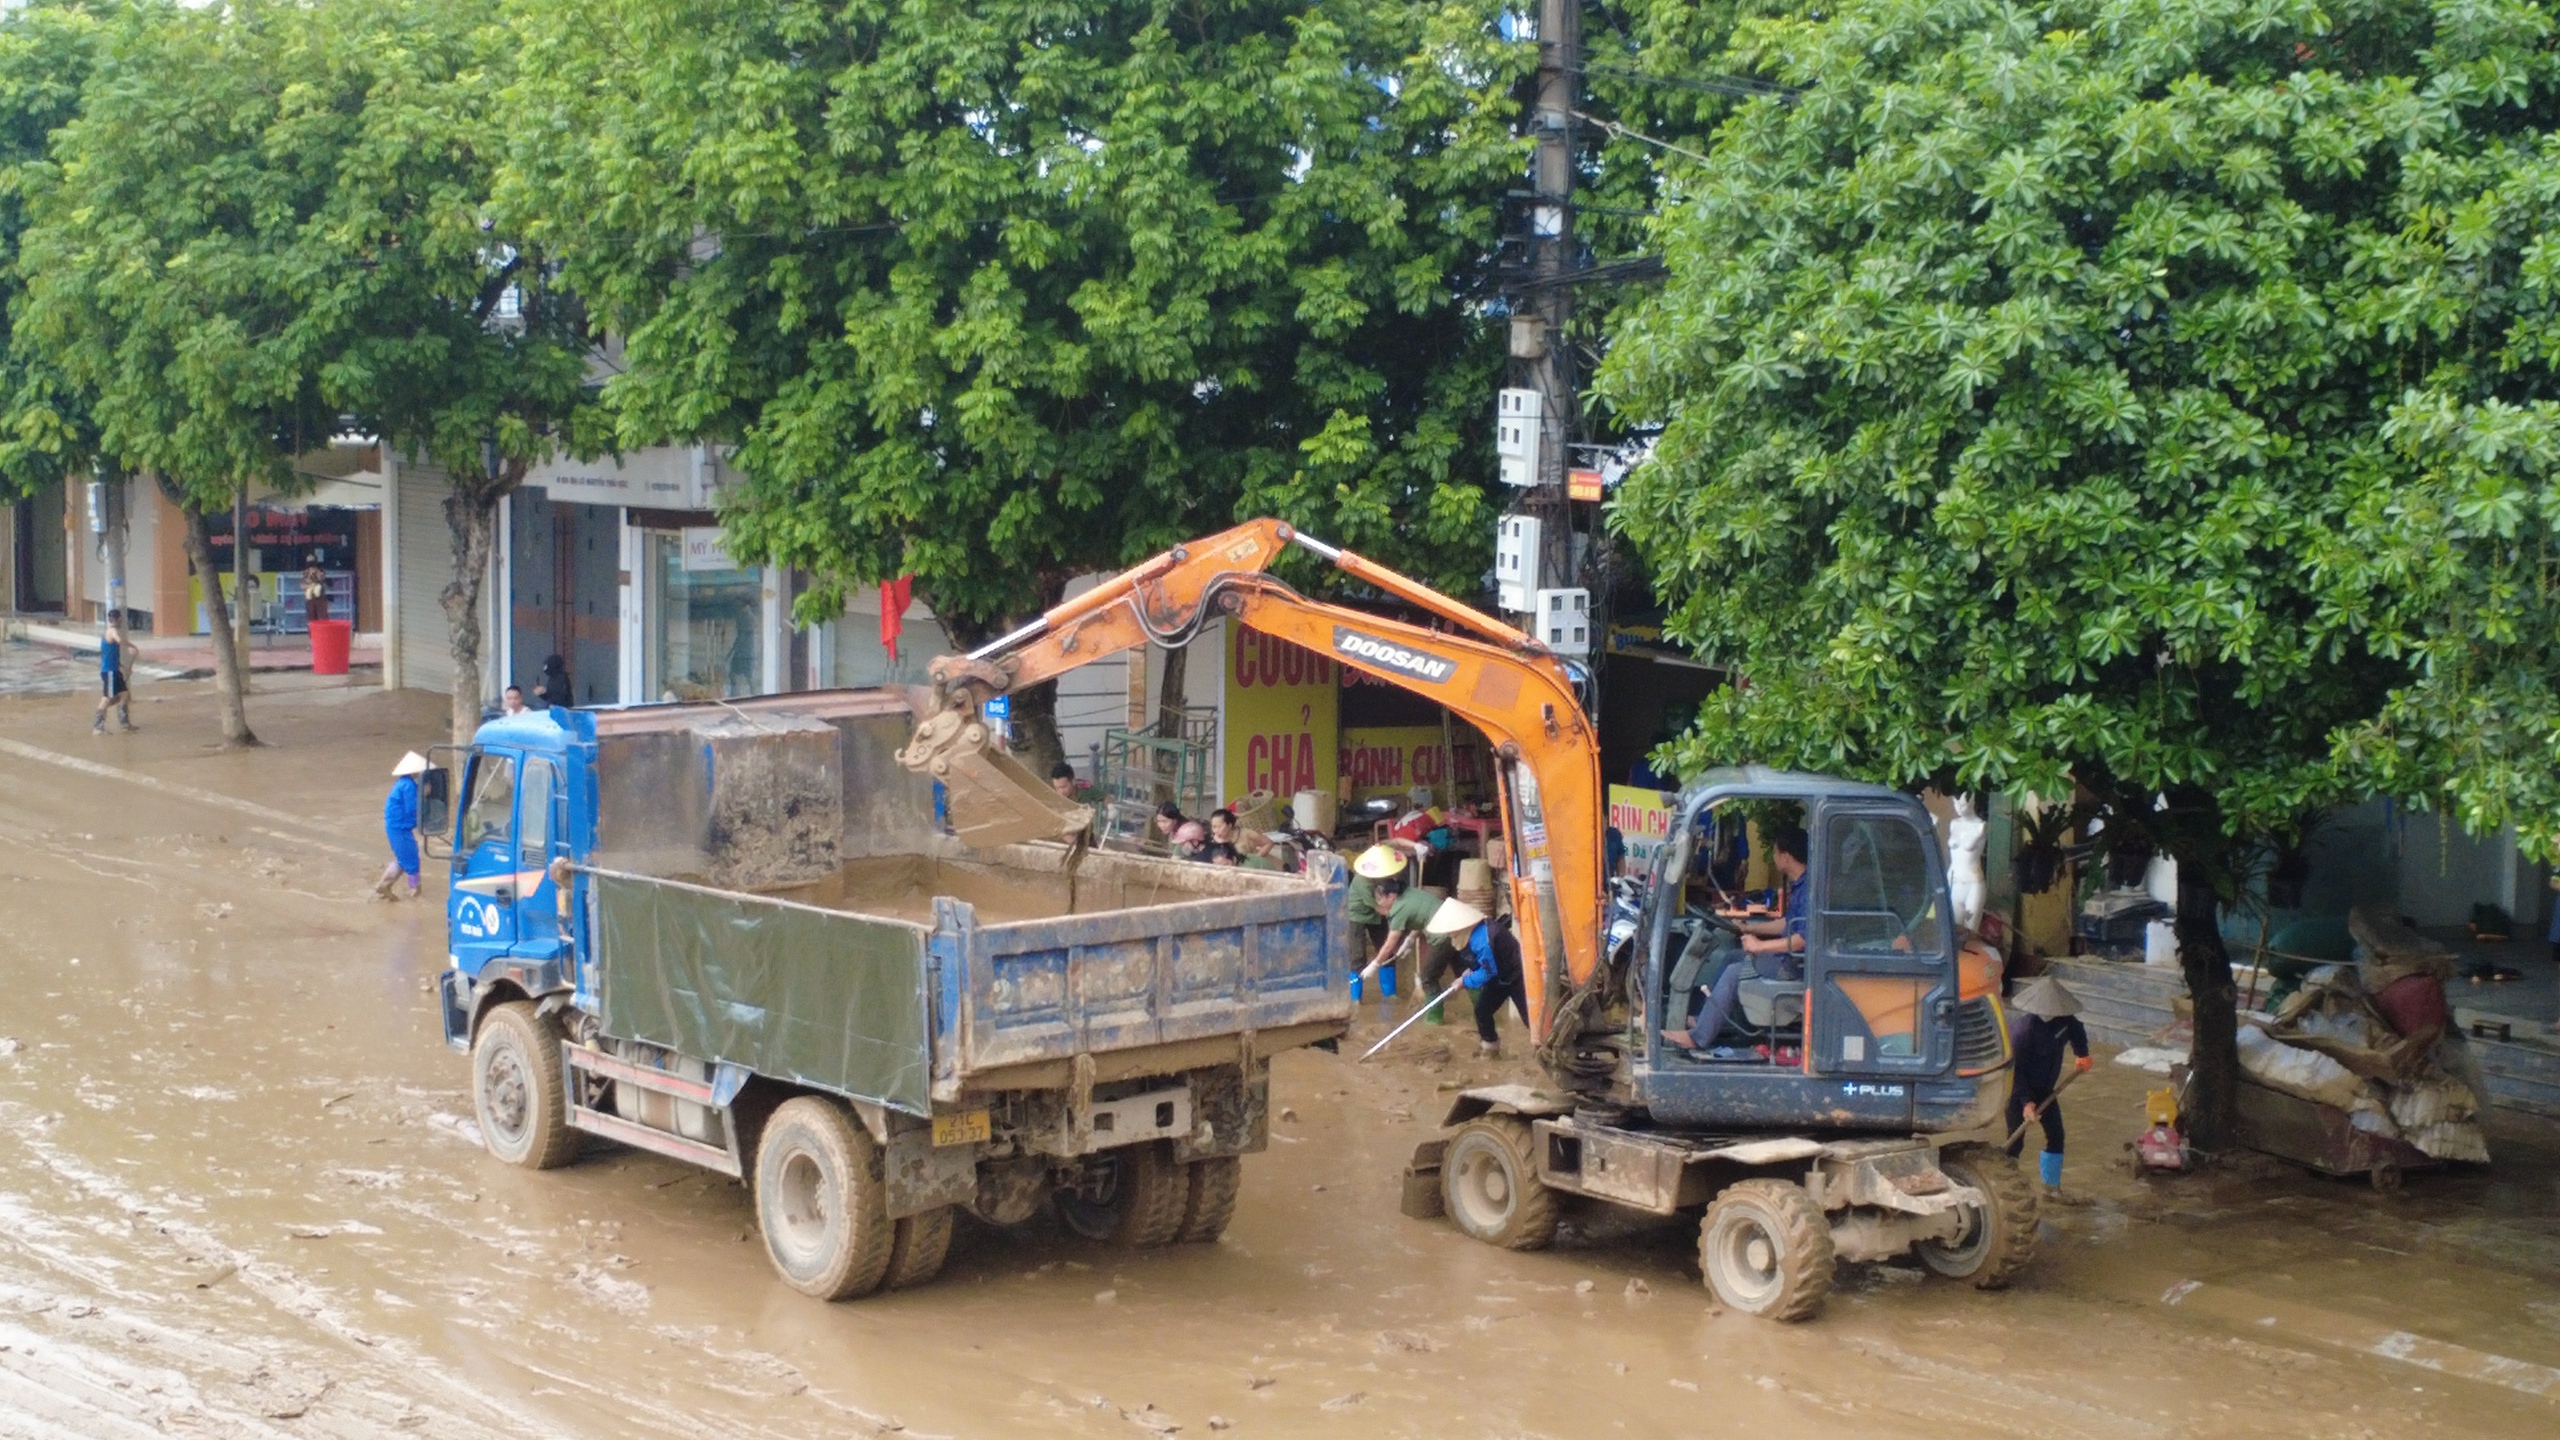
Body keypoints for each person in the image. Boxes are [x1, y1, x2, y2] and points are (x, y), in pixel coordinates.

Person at [1663, 825, 1811, 1052]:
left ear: (1786, 856)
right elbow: (1786, 924)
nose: (1773, 857)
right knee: (1733, 955)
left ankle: (1699, 1037)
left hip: (1794, 965)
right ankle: (1704, 1018)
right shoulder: (1801, 885)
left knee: (1735, 972)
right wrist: (1747, 926)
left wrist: (1759, 947)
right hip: (1788, 958)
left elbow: (1803, 939)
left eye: (1775, 852)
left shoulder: (1810, 888)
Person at [2006, 975, 2093, 1204]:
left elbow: (2077, 1031)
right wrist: (2026, 1103)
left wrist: (2082, 1053)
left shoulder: (2066, 1021)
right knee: (2015, 1143)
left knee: (2056, 1136)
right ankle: (2008, 1190)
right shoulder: (2023, 1032)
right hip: (2017, 1092)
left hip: (2047, 1090)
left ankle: (2051, 1189)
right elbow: (2015, 1072)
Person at [1426, 898, 1525, 1058]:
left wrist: (1464, 982)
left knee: (1529, 1018)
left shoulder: (1482, 939)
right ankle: (1490, 1047)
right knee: (1482, 1010)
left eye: (1451, 931)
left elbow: (1488, 971)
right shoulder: (1471, 936)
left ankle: (1546, 1050)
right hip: (1499, 977)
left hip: (1517, 976)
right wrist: (1469, 972)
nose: (1450, 934)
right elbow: (1482, 964)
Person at [373, 751, 430, 900]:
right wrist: (424, 797)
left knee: (402, 860)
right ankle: (415, 893)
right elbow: (412, 808)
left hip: (396, 827)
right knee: (412, 861)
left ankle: (383, 886)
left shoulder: (403, 783)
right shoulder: (409, 786)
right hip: (400, 828)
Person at [1347, 843, 1411, 965]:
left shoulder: (1385, 875)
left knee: (1386, 951)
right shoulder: (1362, 881)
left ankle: (1389, 982)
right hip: (1357, 916)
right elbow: (1380, 908)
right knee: (1357, 955)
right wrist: (1401, 918)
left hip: (1377, 915)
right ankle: (1356, 980)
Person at [92, 619, 137, 735]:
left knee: (124, 694)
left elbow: (112, 656)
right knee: (108, 698)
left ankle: (124, 724)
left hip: (115, 670)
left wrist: (124, 667)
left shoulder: (110, 634)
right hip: (110, 672)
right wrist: (132, 647)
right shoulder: (112, 631)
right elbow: (120, 640)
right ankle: (98, 727)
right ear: (118, 620)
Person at [301, 556, 329, 624]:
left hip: (320, 599)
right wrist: (310, 586)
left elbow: (322, 580)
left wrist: (317, 573)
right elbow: (302, 585)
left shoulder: (321, 571)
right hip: (310, 599)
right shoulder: (306, 573)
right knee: (311, 619)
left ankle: (322, 632)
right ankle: (312, 633)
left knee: (322, 618)